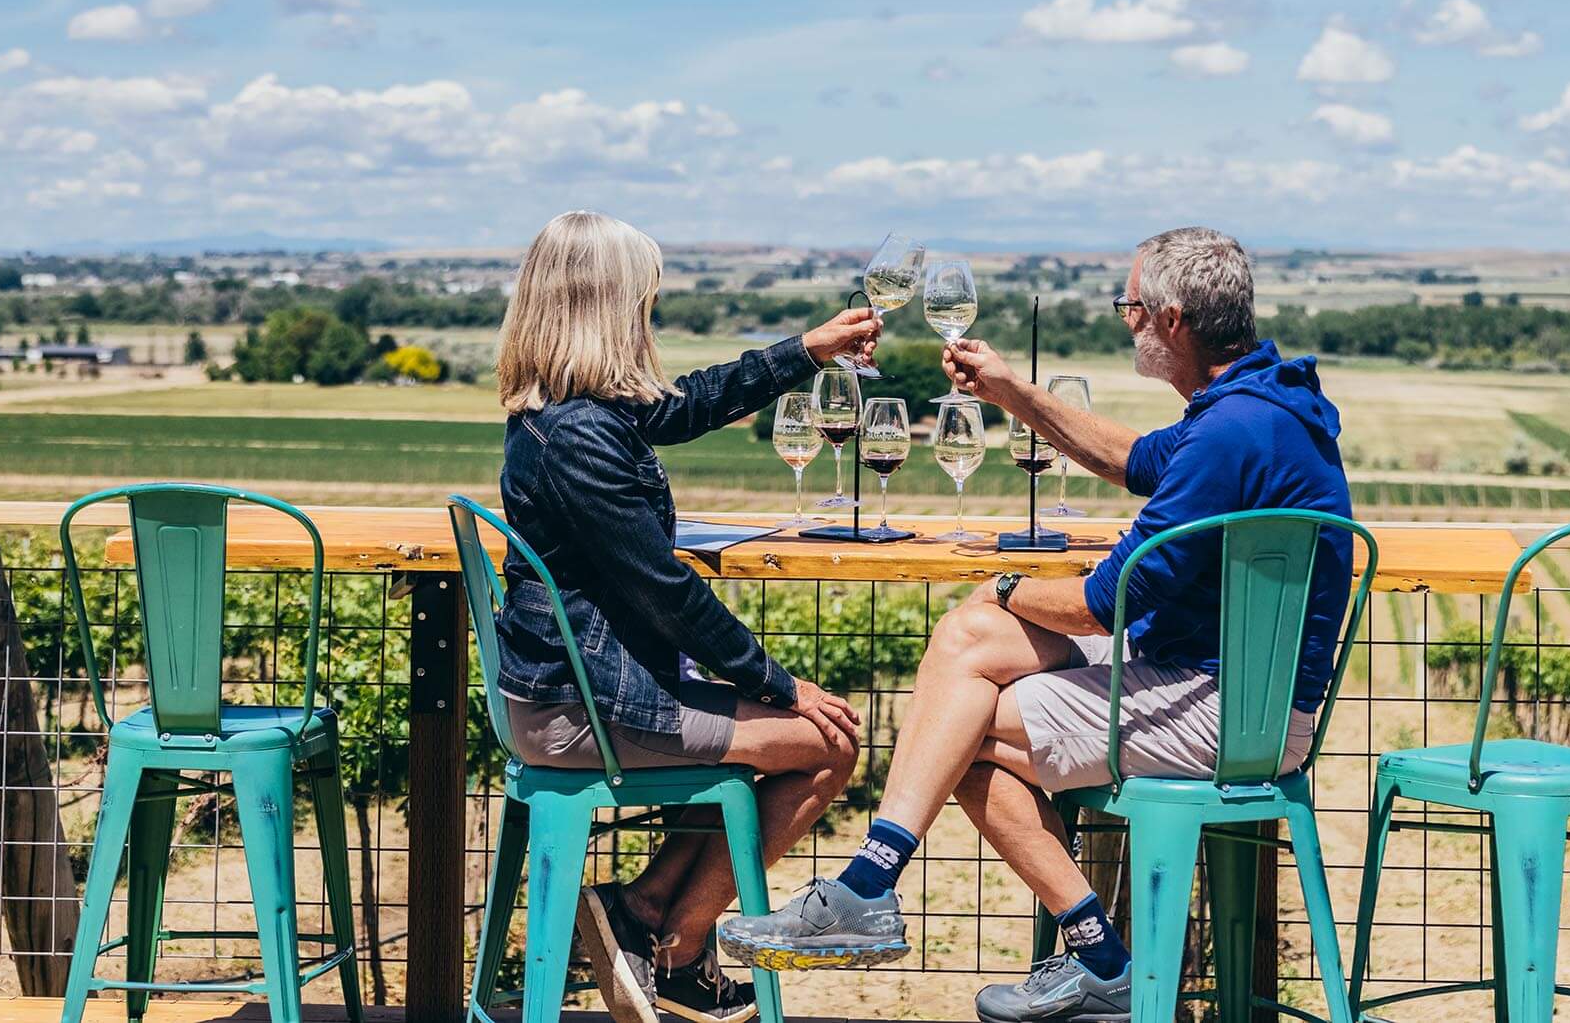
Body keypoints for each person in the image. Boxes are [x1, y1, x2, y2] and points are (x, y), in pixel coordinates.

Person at [717, 226, 1354, 1023]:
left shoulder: (1230, 434)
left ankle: (1093, 958)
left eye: (1132, 307)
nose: (1127, 322)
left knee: (966, 729)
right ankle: (870, 887)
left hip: (1238, 712)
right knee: (966, 638)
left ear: (1174, 318)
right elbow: (1138, 459)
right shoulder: (1256, 405)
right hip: (1214, 675)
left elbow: (1100, 601)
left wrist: (1008, 581)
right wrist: (1011, 393)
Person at [494, 211, 879, 1023]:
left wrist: (806, 349)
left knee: (780, 734)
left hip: (570, 689)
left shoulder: (569, 413)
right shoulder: (581, 440)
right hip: (580, 707)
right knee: (827, 743)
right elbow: (664, 591)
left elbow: (688, 402)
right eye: (644, 298)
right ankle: (681, 941)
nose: (652, 312)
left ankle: (643, 913)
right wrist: (781, 683)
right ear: (606, 307)